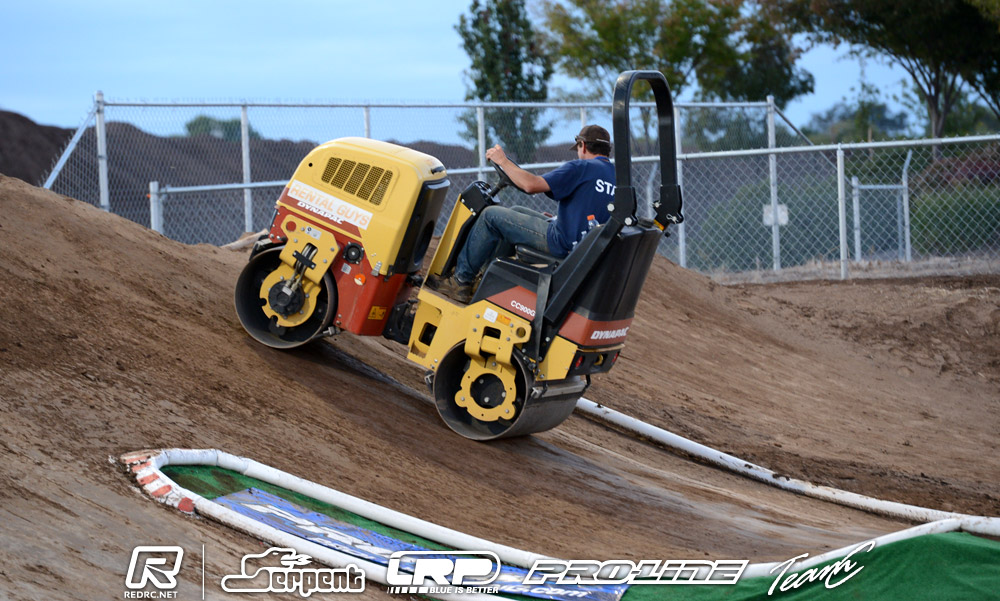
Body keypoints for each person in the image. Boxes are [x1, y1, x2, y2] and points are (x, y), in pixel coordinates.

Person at [436, 125, 615, 303]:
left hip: (562, 242)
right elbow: (592, 209)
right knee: (515, 212)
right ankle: (486, 279)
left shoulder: (581, 167)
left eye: (578, 148)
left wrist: (503, 161)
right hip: (585, 246)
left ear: (582, 145)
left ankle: (460, 282)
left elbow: (531, 185)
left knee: (491, 216)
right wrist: (557, 219)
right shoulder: (616, 177)